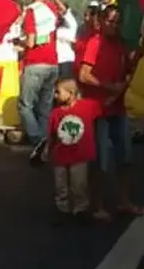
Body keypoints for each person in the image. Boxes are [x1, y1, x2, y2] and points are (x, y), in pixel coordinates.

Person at [78, 5, 142, 221]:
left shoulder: (120, 45)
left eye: (117, 22)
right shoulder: (95, 43)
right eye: (110, 21)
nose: (113, 25)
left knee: (125, 158)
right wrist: (108, 87)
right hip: (99, 109)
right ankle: (97, 204)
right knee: (100, 160)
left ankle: (124, 202)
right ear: (102, 21)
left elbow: (125, 70)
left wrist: (136, 58)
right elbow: (84, 75)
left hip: (117, 107)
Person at [15, 0, 67, 163]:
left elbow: (30, 42)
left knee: (25, 105)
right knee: (45, 107)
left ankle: (37, 140)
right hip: (53, 63)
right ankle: (46, 145)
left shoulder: (31, 12)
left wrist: (18, 42)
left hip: (35, 63)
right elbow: (64, 12)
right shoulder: (52, 9)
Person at [48, 78, 102, 223]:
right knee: (61, 185)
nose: (55, 95)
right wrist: (49, 151)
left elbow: (103, 106)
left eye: (58, 92)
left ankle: (81, 209)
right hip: (61, 155)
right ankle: (63, 210)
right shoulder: (56, 113)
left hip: (80, 154)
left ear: (71, 93)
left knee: (79, 184)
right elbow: (52, 134)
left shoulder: (87, 106)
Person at [56, 8, 79, 81]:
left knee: (66, 85)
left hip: (67, 61)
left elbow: (66, 13)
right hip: (56, 62)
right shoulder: (54, 30)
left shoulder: (72, 28)